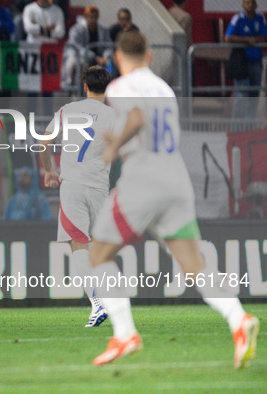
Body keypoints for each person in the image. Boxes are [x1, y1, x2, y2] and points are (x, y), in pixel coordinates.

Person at [87, 31, 259, 368]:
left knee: (98, 255)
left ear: (119, 59)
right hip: (175, 182)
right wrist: (120, 139)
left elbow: (136, 119)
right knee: (194, 266)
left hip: (143, 181)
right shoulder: (166, 90)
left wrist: (113, 146)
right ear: (150, 56)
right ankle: (238, 319)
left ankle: (124, 333)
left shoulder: (120, 88)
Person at [40, 65, 114, 327]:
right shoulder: (113, 117)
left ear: (84, 87)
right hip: (99, 188)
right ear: (108, 88)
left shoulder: (67, 111)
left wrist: (49, 170)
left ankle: (97, 304)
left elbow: (44, 143)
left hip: (72, 186)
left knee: (78, 246)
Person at [225, 0, 267, 121]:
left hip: (256, 63)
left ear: (256, 5)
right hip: (241, 64)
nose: (250, 5)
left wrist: (254, 39)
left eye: (252, 3)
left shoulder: (260, 18)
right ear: (243, 5)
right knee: (241, 97)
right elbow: (228, 37)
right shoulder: (237, 18)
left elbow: (264, 36)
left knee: (254, 96)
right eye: (247, 3)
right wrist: (246, 40)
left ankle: (249, 129)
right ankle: (236, 129)